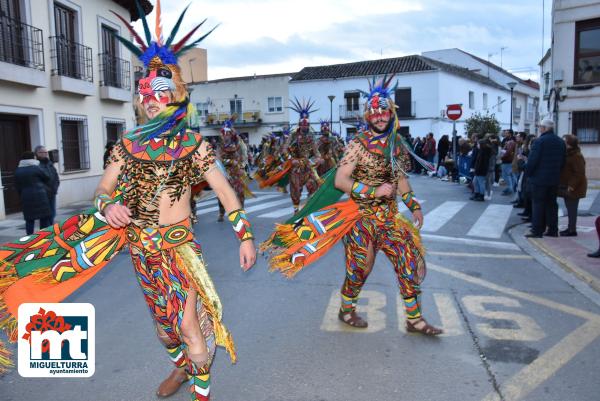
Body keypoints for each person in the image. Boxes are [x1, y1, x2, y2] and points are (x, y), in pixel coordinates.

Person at [0, 5, 257, 400]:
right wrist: (107, 207)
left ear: (175, 97)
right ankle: (182, 367)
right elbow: (102, 191)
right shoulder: (126, 146)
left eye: (160, 92)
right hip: (141, 249)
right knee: (165, 329)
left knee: (189, 326)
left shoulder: (193, 144)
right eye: (145, 94)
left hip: (179, 247)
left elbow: (224, 191)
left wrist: (245, 237)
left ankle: (199, 389)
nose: (151, 100)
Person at [261, 75, 442, 335]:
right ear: (368, 116)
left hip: (390, 219)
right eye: (375, 113)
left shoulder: (396, 144)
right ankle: (347, 308)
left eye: (384, 112)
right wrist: (372, 190)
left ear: (391, 114)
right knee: (360, 269)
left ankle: (414, 319)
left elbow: (401, 177)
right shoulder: (357, 145)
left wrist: (413, 205)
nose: (380, 117)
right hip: (361, 220)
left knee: (408, 262)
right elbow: (340, 179)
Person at [524, 119, 566, 238]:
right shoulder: (560, 142)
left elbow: (533, 161)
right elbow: (563, 161)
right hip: (554, 179)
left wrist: (528, 173)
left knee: (538, 204)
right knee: (552, 204)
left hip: (539, 179)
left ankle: (537, 230)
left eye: (540, 127)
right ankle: (553, 229)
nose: (539, 129)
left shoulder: (539, 141)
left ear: (545, 128)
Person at [283, 98, 323, 213]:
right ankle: (296, 209)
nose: (305, 127)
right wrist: (291, 160)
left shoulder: (311, 135)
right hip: (296, 167)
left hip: (308, 166)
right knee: (296, 190)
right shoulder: (293, 135)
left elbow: (315, 150)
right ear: (300, 124)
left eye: (307, 125)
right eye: (303, 125)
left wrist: (318, 158)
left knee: (313, 184)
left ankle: (308, 206)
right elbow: (284, 150)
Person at [216, 118, 251, 222]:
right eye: (225, 133)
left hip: (236, 171)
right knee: (221, 193)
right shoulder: (220, 145)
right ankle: (221, 213)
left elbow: (244, 155)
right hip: (224, 171)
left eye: (228, 133)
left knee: (240, 192)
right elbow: (218, 158)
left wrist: (241, 165)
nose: (226, 136)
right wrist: (230, 162)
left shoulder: (238, 143)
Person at [14, 151, 52, 234]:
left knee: (29, 220)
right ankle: (43, 236)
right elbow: (47, 177)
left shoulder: (18, 170)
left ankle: (29, 239)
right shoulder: (36, 168)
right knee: (44, 218)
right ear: (32, 158)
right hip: (40, 196)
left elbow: (17, 186)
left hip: (26, 197)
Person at [558, 135, 587, 236]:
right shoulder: (568, 154)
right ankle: (570, 228)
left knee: (572, 209)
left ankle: (572, 230)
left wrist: (571, 186)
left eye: (564, 142)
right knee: (570, 208)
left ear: (569, 144)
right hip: (568, 186)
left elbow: (579, 173)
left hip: (574, 188)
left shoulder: (576, 156)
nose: (562, 143)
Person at [34, 145, 60, 222]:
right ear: (37, 153)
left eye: (46, 152)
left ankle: (51, 231)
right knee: (44, 216)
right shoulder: (36, 165)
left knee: (53, 213)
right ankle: (45, 232)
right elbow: (37, 180)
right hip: (43, 194)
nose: (45, 154)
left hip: (52, 193)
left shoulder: (50, 163)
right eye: (42, 152)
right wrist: (44, 190)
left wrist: (55, 188)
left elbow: (56, 178)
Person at [500, 129, 516, 196]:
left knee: (506, 175)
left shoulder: (511, 141)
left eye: (506, 133)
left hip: (507, 160)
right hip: (508, 160)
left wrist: (502, 156)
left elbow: (508, 151)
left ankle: (510, 188)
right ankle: (512, 188)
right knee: (510, 175)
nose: (505, 134)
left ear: (510, 134)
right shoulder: (506, 140)